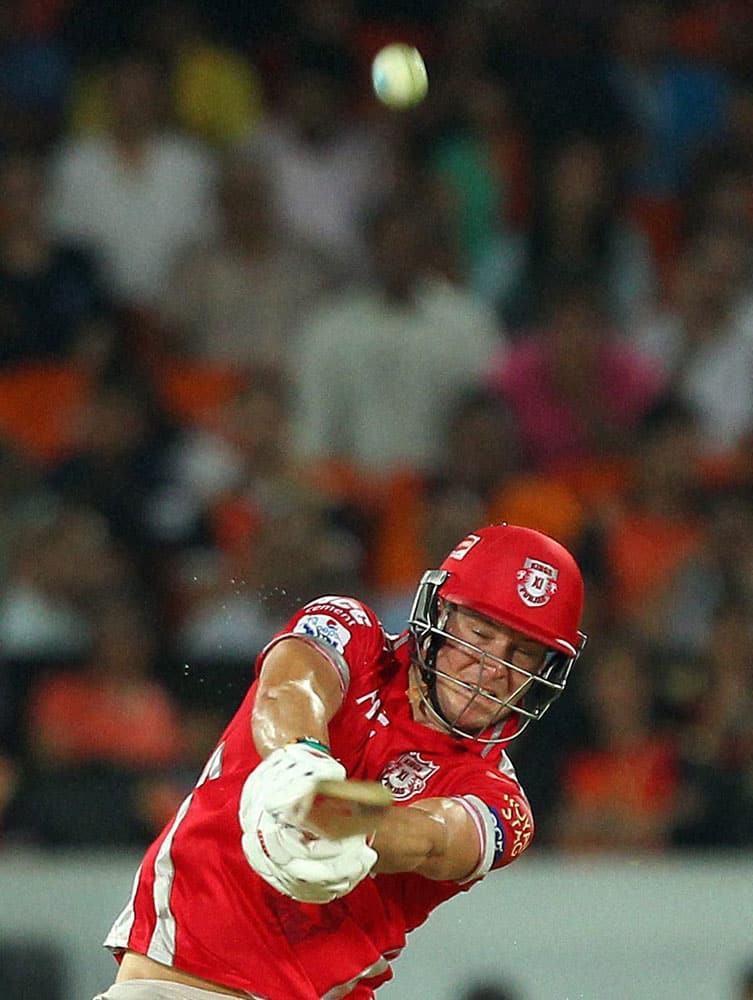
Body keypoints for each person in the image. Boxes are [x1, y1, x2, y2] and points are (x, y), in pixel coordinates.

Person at [94, 522, 586, 1000]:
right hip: (177, 984)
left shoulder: (504, 804)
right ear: (439, 614)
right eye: (479, 634)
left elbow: (434, 838)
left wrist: (350, 828)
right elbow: (291, 687)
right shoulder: (350, 629)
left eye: (522, 655)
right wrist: (300, 763)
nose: (492, 669)